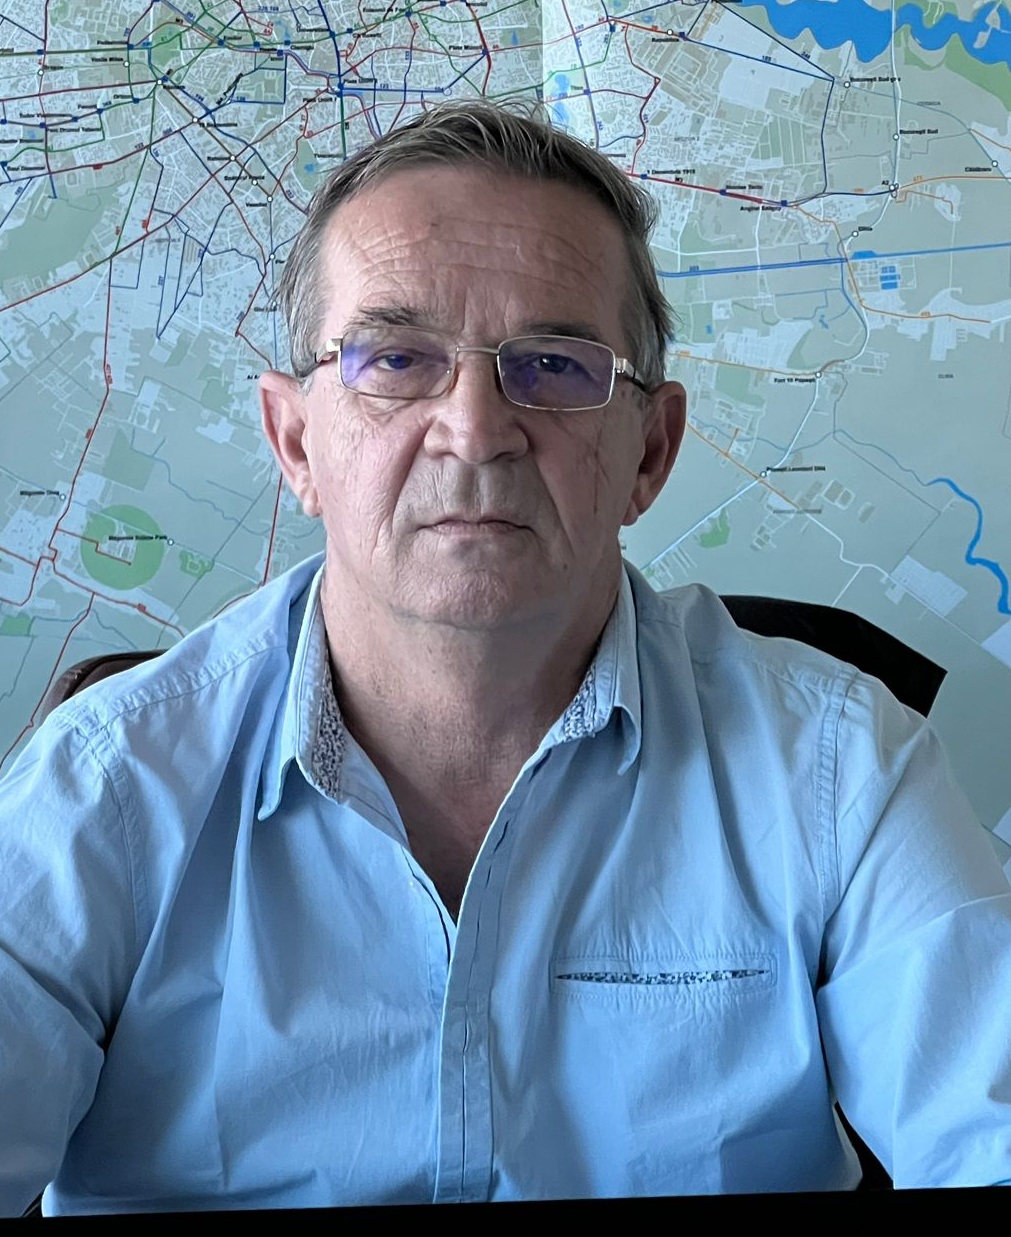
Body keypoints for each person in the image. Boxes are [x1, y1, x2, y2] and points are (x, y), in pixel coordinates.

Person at [1, 102, 1010, 1216]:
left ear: (650, 452)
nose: (476, 429)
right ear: (297, 444)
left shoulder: (840, 771)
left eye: (555, 365)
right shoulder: (105, 785)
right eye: (397, 358)